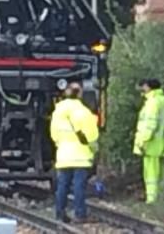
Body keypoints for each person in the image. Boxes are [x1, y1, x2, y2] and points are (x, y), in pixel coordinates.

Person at [49, 82, 99, 223]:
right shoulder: (84, 112)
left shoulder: (57, 112)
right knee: (79, 187)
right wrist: (94, 150)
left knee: (62, 187)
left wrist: (61, 145)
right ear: (80, 93)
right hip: (81, 157)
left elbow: (54, 135)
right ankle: (80, 214)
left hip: (64, 156)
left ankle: (60, 214)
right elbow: (92, 136)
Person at [133, 78, 164, 204]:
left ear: (148, 87)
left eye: (143, 86)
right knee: (160, 172)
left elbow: (150, 125)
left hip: (151, 143)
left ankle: (152, 198)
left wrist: (142, 141)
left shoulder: (152, 103)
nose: (142, 89)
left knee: (150, 173)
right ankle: (161, 196)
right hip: (163, 142)